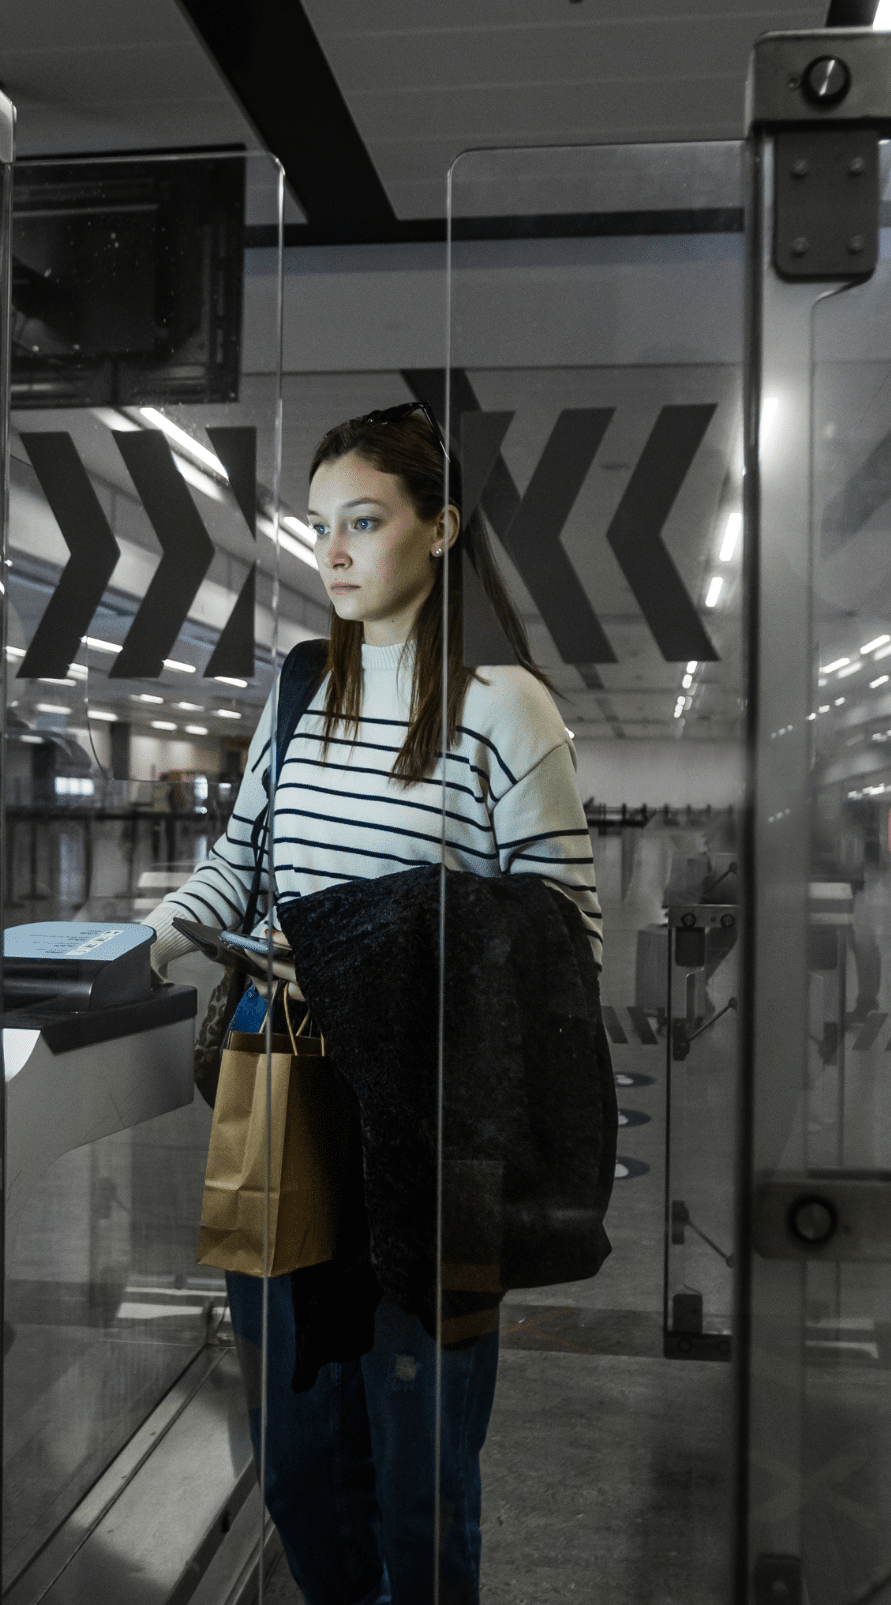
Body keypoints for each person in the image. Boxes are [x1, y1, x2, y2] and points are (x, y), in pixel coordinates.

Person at [147, 401, 602, 1605]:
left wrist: (384, 948)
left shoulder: (506, 706)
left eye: (365, 521)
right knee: (299, 1465)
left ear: (440, 528)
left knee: (421, 1474)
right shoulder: (299, 691)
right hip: (285, 1086)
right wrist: (138, 940)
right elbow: (238, 862)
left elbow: (566, 944)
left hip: (428, 1118)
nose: (334, 552)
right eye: (319, 527)